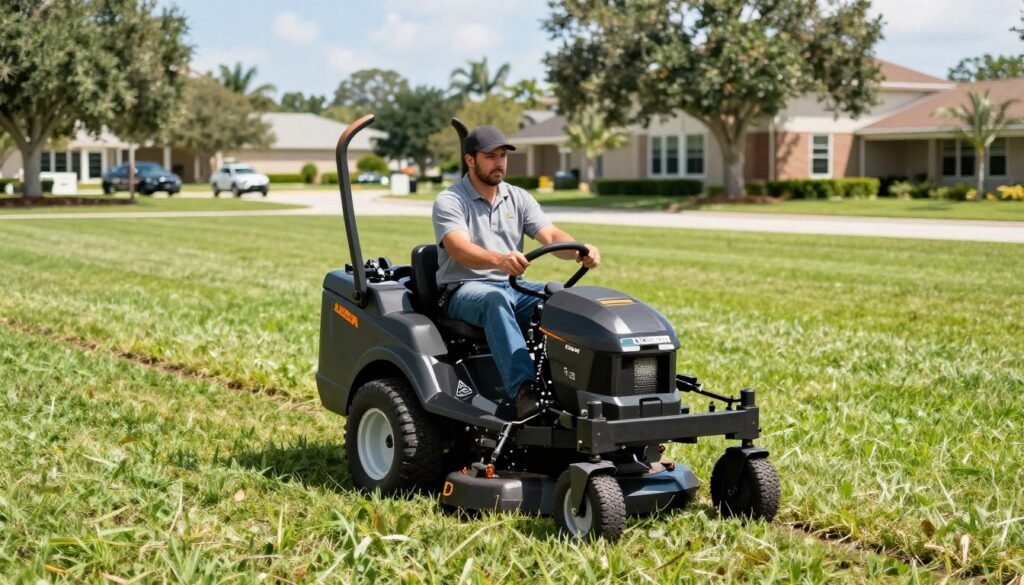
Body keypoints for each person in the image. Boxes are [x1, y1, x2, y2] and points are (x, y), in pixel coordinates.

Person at [432, 125, 600, 419]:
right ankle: (525, 390)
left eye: (502, 156)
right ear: (470, 160)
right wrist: (499, 260)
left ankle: (576, 386)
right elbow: (459, 249)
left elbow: (549, 235)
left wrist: (577, 250)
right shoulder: (450, 200)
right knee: (493, 301)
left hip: (512, 286)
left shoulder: (517, 198)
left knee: (560, 300)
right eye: (490, 157)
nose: (499, 163)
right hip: (462, 289)